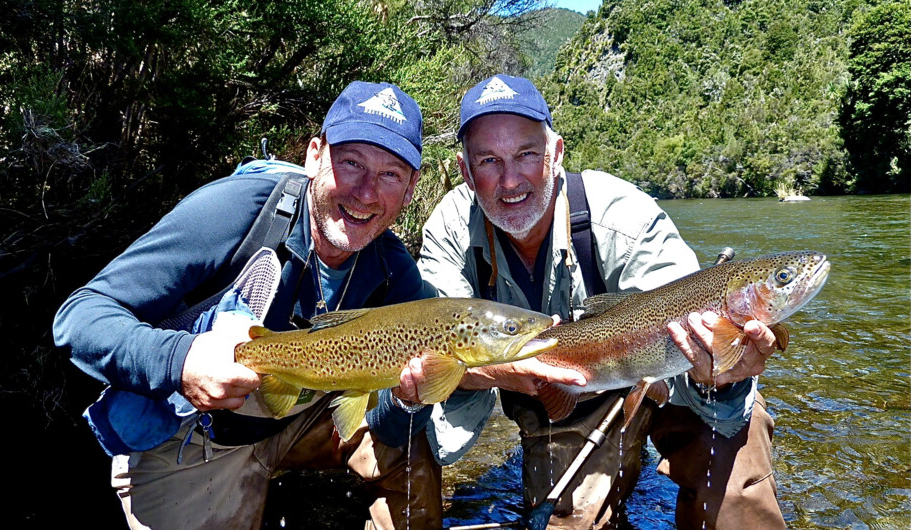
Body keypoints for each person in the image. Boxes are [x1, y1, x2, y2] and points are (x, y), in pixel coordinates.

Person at [53, 81, 441, 529]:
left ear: (411, 190)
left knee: (412, 450)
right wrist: (181, 360)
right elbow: (80, 316)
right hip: (195, 437)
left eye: (390, 174)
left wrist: (410, 401)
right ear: (315, 157)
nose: (367, 192)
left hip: (296, 418)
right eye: (351, 163)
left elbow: (391, 433)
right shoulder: (236, 212)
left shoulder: (395, 274)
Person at [402, 74, 786, 528]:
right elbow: (426, 348)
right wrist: (506, 370)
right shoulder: (450, 228)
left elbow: (693, 313)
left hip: (660, 380)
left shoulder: (624, 215)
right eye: (489, 160)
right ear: (465, 172)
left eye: (527, 154)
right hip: (555, 398)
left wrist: (722, 377)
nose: (510, 179)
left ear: (556, 154)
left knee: (733, 467)